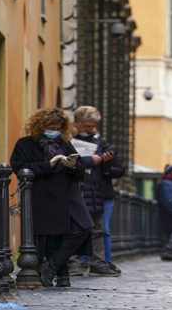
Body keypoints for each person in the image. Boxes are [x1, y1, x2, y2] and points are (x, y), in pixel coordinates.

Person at [10, 108, 94, 288]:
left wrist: (72, 165)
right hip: (44, 195)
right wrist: (48, 165)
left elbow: (79, 167)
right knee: (53, 236)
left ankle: (51, 267)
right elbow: (19, 167)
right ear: (40, 126)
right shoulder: (25, 144)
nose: (54, 130)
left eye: (57, 127)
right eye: (51, 127)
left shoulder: (64, 143)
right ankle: (62, 275)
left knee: (83, 226)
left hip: (68, 195)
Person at [73, 106, 126, 277]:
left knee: (98, 230)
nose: (90, 130)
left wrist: (105, 164)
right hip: (76, 190)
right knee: (73, 228)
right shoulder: (68, 142)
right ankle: (73, 263)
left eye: (93, 126)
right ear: (77, 122)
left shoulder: (102, 145)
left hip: (96, 192)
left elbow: (118, 169)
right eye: (87, 126)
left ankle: (99, 262)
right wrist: (89, 160)